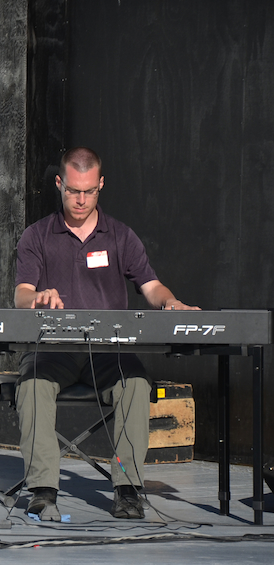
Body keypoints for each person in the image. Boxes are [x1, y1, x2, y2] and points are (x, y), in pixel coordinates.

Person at [13, 147, 199, 520]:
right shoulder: (36, 236)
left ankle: (127, 490)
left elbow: (151, 286)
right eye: (72, 191)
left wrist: (172, 303)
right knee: (31, 385)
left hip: (109, 351)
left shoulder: (121, 237)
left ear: (101, 185)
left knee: (136, 384)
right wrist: (37, 296)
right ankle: (43, 490)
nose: (80, 200)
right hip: (54, 351)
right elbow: (20, 294)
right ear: (59, 184)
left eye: (88, 191)